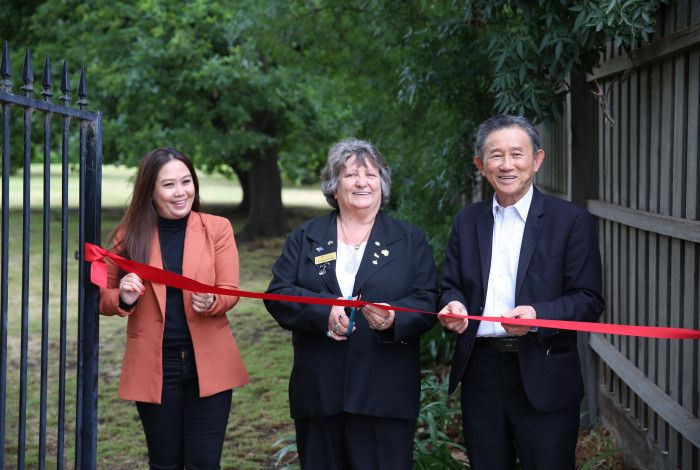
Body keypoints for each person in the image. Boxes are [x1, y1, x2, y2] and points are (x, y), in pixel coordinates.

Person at [438, 115, 604, 470]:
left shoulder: (571, 221)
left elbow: (589, 300)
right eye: (496, 156)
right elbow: (449, 284)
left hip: (544, 368)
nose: (507, 164)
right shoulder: (467, 221)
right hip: (480, 369)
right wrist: (451, 303)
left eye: (517, 153)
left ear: (537, 160)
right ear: (480, 165)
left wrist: (537, 316)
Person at [264, 138, 437, 469]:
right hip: (320, 392)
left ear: (382, 185)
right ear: (334, 184)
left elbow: (427, 299)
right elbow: (278, 294)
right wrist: (325, 310)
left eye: (371, 175)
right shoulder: (306, 237)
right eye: (350, 175)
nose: (362, 182)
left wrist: (393, 319)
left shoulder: (409, 239)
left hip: (384, 393)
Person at [98, 147, 249, 469]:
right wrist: (124, 297)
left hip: (208, 363)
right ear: (149, 190)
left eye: (186, 182)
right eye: (169, 185)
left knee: (204, 463)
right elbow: (102, 297)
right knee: (165, 462)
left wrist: (212, 301)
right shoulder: (128, 235)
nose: (181, 192)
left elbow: (230, 291)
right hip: (155, 366)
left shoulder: (217, 228)